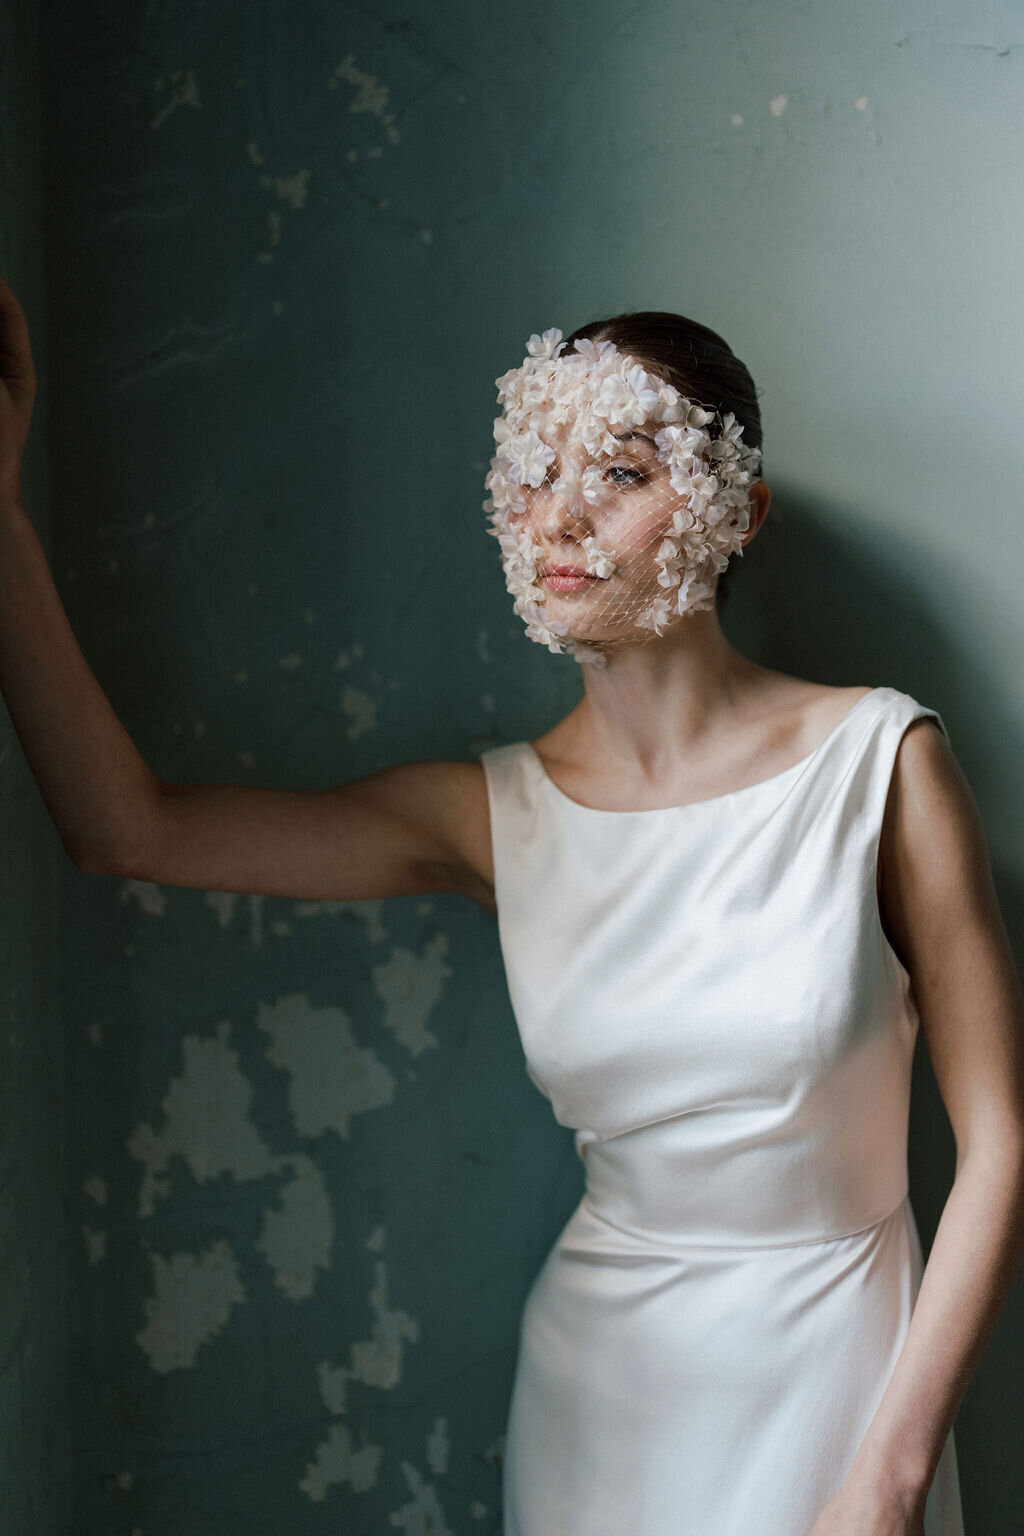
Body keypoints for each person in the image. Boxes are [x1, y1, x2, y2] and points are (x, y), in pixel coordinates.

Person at [1, 271, 1023, 1536]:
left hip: (841, 1368)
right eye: (536, 469)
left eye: (622, 473)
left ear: (734, 509)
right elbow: (125, 832)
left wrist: (888, 1477)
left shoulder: (881, 762)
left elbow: (1002, 1145)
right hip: (600, 1397)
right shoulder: (488, 815)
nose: (562, 515)